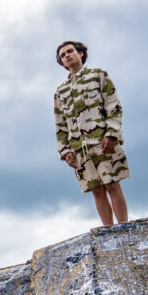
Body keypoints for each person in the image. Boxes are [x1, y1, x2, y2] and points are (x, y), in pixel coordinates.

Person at [53, 40, 130, 226]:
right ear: (62, 63)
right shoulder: (60, 91)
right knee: (96, 190)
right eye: (63, 55)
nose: (67, 56)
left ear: (80, 53)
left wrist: (112, 134)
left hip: (102, 141)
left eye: (70, 51)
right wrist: (65, 151)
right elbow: (60, 123)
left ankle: (124, 228)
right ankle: (108, 231)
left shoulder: (98, 76)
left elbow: (114, 105)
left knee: (112, 183)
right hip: (80, 148)